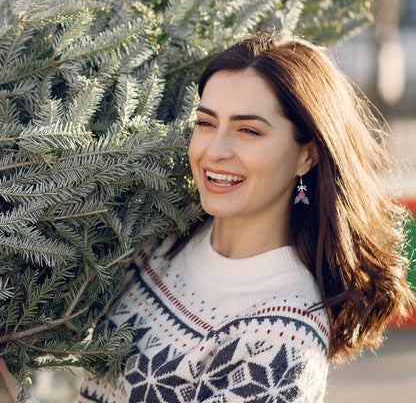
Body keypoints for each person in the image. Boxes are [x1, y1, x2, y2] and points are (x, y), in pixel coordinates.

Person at [1, 32, 414, 403]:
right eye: (205, 122)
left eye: (248, 130)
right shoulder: (160, 238)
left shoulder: (280, 340)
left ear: (307, 154)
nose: (214, 150)